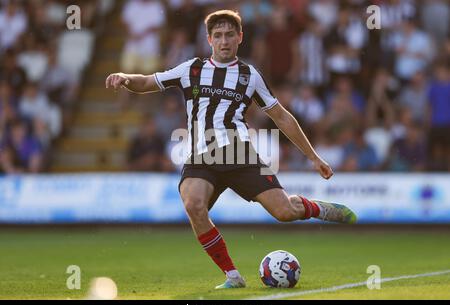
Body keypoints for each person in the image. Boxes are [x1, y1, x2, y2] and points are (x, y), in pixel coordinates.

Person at [105, 10, 357, 290]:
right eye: (218, 36)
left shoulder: (250, 76)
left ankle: (317, 209)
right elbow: (148, 82)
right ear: (209, 39)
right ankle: (232, 275)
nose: (224, 41)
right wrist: (125, 76)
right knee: (193, 204)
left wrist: (313, 156)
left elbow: (282, 117)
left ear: (240, 37)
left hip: (239, 153)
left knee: (284, 212)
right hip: (202, 155)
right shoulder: (192, 70)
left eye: (229, 35)